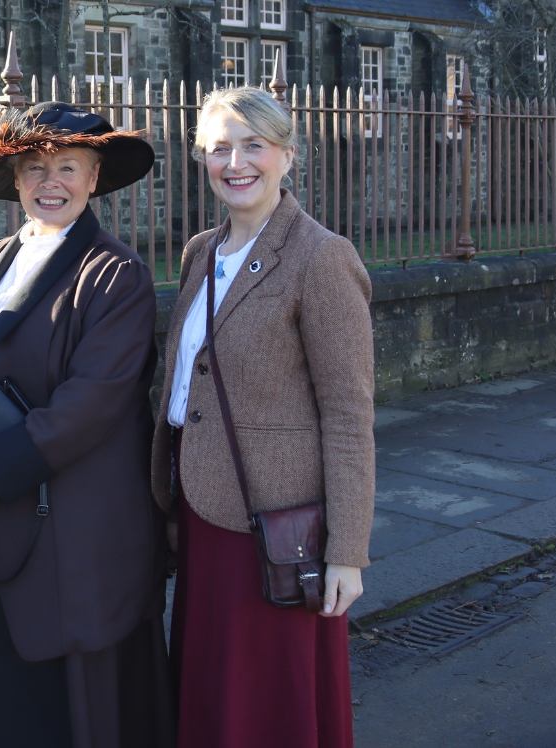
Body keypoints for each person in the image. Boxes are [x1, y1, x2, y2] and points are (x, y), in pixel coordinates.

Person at [0, 102, 174, 748]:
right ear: (14, 180)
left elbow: (88, 407)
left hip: (70, 545)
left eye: (67, 166)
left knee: (53, 720)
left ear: (94, 178)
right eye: (34, 168)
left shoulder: (118, 276)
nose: (49, 182)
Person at [152, 86, 375, 748]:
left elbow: (348, 416)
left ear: (287, 155)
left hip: (277, 532)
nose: (236, 162)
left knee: (268, 704)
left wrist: (348, 554)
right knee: (212, 692)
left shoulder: (320, 257)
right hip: (200, 515)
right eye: (220, 148)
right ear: (202, 158)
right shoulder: (200, 253)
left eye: (253, 145)